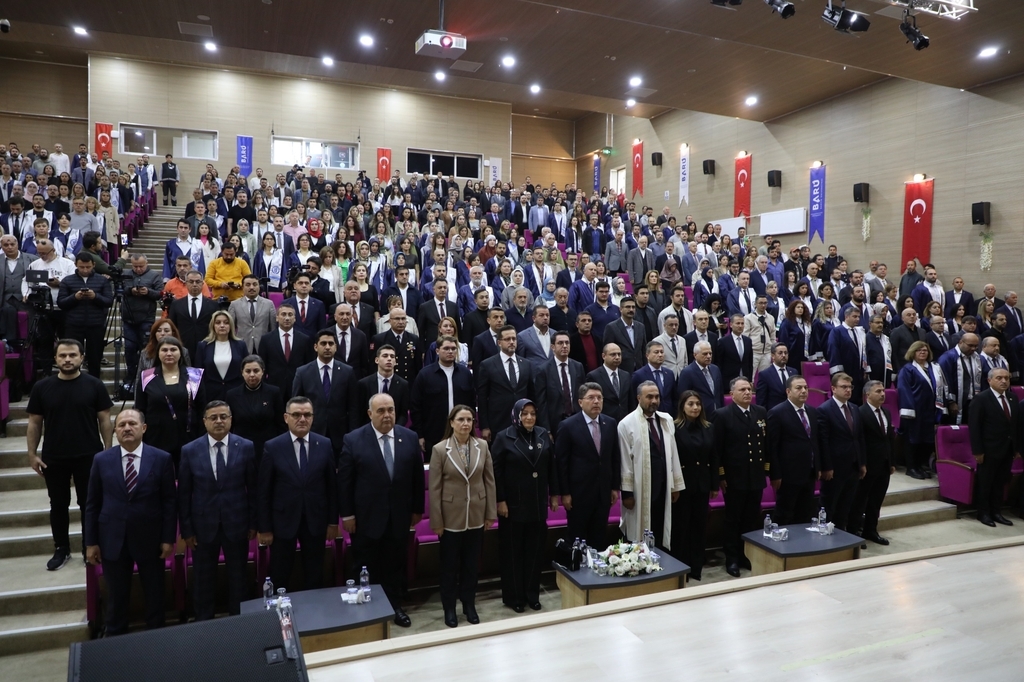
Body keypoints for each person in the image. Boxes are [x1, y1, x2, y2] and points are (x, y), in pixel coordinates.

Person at [84, 409, 176, 636]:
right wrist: (91, 542)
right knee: (116, 596)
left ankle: (156, 637)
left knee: (155, 593)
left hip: (150, 539)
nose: (127, 428)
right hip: (113, 539)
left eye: (132, 423)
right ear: (115, 431)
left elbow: (169, 503)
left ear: (143, 428)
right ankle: (116, 639)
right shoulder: (101, 460)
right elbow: (92, 504)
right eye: (122, 424)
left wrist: (167, 538)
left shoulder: (162, 458)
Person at [27, 339, 113, 570]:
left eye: (72, 355)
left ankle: (90, 546)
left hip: (90, 455)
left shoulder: (94, 385)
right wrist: (32, 454)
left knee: (90, 504)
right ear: (55, 358)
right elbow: (34, 423)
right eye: (63, 355)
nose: (67, 359)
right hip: (54, 456)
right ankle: (61, 549)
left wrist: (108, 449)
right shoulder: (42, 387)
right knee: (58, 504)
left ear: (82, 357)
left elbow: (105, 419)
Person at [340, 393, 425, 628]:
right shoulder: (353, 439)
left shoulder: (409, 437)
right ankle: (365, 612)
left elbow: (417, 478)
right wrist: (347, 515)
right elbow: (345, 483)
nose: (387, 415)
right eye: (381, 411)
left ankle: (393, 607)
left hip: (398, 516)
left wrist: (417, 509)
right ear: (370, 414)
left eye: (391, 410)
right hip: (366, 519)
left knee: (394, 565)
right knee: (365, 566)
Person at [177, 401, 257, 619]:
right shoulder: (189, 450)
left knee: (238, 578)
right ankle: (204, 625)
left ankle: (239, 622)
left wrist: (253, 523)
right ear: (204, 421)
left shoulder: (246, 446)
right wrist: (187, 530)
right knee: (203, 579)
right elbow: (184, 494)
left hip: (237, 524)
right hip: (203, 527)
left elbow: (253, 489)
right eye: (213, 417)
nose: (219, 421)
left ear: (231, 419)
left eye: (223, 416)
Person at [258, 397, 339, 591]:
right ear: (286, 418)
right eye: (296, 415)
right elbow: (264, 491)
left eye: (307, 415)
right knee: (280, 572)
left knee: (315, 572)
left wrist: (333, 522)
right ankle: (278, 616)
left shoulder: (325, 444)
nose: (302, 419)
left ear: (313, 417)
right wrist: (265, 527)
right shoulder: (273, 446)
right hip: (282, 522)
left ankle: (315, 616)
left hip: (316, 520)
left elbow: (332, 487)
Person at [491, 399, 554, 613]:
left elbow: (551, 467)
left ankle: (532, 595)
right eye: (524, 413)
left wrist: (553, 494)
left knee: (535, 554)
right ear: (516, 415)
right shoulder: (503, 437)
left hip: (537, 505)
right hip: (512, 506)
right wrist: (500, 500)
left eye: (532, 413)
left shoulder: (543, 434)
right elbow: (495, 473)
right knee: (513, 554)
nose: (529, 417)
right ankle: (514, 597)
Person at [714, 377, 775, 577]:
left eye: (749, 389)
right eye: (742, 390)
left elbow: (766, 446)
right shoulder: (722, 415)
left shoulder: (760, 412)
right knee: (733, 519)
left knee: (750, 518)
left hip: (755, 475)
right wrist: (721, 475)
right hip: (734, 477)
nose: (747, 393)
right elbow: (718, 450)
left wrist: (766, 470)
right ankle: (731, 558)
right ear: (732, 394)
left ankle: (745, 554)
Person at [553, 382, 621, 550]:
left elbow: (614, 457)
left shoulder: (610, 423)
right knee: (577, 539)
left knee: (598, 537)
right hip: (578, 494)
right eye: (591, 398)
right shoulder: (568, 426)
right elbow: (561, 463)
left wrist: (614, 487)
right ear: (580, 402)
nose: (596, 401)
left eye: (599, 398)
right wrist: (565, 493)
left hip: (602, 492)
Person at [618, 381, 684, 550]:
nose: (654, 401)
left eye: (657, 397)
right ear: (639, 398)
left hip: (664, 483)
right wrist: (627, 493)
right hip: (640, 487)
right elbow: (625, 460)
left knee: (661, 524)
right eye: (649, 397)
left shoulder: (666, 419)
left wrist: (675, 485)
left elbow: (673, 452)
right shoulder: (626, 424)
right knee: (641, 529)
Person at [135, 335, 205, 469]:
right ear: (158, 353)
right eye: (164, 350)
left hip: (189, 437)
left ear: (181, 352)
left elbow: (202, 409)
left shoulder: (195, 376)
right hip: (156, 438)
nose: (169, 353)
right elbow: (140, 410)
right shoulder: (146, 376)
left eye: (173, 350)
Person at [672, 391, 717, 580]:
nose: (695, 408)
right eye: (690, 404)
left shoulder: (708, 427)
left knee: (699, 527)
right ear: (682, 406)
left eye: (698, 404)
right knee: (682, 528)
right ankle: (681, 569)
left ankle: (696, 567)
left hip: (702, 484)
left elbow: (714, 458)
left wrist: (714, 484)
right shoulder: (673, 428)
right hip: (682, 487)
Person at [291, 329, 359, 454]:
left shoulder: (347, 371)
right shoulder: (303, 372)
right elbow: (296, 404)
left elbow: (353, 406)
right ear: (316, 347)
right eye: (323, 344)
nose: (327, 347)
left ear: (336, 347)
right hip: (312, 431)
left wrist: (352, 432)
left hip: (340, 433)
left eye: (331, 344)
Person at [968, 367, 1020, 527]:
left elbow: (1015, 426)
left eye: (1006, 378)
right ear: (989, 380)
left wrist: (1017, 448)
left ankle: (996, 511)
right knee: (986, 482)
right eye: (999, 378)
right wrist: (978, 451)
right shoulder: (981, 399)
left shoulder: (1012, 398)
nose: (1004, 381)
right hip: (989, 449)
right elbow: (974, 427)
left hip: (1008, 448)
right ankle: (983, 513)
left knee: (1000, 482)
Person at [766, 375, 819, 526]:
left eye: (805, 388)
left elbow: (814, 442)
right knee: (785, 514)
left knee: (805, 513)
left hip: (809, 472)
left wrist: (818, 467)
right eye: (799, 388)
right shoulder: (777, 413)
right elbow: (772, 447)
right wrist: (775, 474)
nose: (803, 391)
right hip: (788, 475)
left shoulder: (812, 412)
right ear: (788, 391)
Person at [476, 325, 545, 439]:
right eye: (507, 339)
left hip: (524, 421)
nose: (512, 342)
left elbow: (532, 394)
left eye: (514, 339)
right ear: (499, 342)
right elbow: (482, 397)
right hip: (498, 421)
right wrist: (485, 426)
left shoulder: (526, 364)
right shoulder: (487, 365)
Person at [817, 372, 866, 530]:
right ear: (833, 388)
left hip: (852, 465)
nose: (848, 390)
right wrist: (827, 466)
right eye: (843, 387)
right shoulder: (825, 410)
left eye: (850, 387)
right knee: (830, 505)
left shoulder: (854, 408)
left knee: (846, 505)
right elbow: (823, 441)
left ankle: (842, 538)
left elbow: (859, 438)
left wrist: (862, 462)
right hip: (835, 468)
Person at [850, 380, 896, 544]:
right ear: (867, 394)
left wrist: (891, 462)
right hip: (868, 465)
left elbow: (889, 439)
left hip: (883, 465)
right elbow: (859, 440)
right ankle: (854, 532)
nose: (882, 394)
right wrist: (861, 463)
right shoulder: (860, 413)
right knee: (860, 501)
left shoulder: (886, 412)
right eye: (878, 391)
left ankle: (871, 530)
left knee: (876, 501)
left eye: (883, 390)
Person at [897, 341, 950, 480]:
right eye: (919, 350)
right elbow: (904, 390)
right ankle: (911, 467)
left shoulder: (934, 368)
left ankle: (920, 466)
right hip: (915, 410)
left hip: (930, 410)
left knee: (926, 440)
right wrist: (909, 410)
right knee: (913, 439)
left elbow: (941, 388)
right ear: (913, 352)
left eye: (925, 350)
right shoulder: (908, 369)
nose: (922, 352)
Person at [56, 252, 113, 379]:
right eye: (81, 267)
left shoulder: (102, 280)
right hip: (73, 324)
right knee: (72, 355)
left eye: (88, 267)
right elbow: (61, 302)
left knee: (95, 357)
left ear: (94, 265)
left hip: (96, 324)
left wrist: (95, 297)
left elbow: (109, 301)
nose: (85, 270)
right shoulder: (67, 280)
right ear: (76, 265)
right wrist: (75, 297)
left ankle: (94, 384)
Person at [226, 355, 285, 461]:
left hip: (268, 447)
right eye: (248, 371)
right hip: (241, 448)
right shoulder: (232, 395)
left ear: (262, 371)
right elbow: (230, 425)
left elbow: (280, 423)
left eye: (256, 371)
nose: (252, 375)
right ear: (242, 372)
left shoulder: (274, 392)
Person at [258, 304, 314, 402]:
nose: (287, 318)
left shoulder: (304, 339)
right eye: (283, 314)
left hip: (297, 386)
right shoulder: (266, 339)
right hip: (274, 386)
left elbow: (308, 365)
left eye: (290, 315)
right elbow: (262, 366)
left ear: (295, 318)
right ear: (277, 318)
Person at [193, 310, 249, 403]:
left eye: (226, 323)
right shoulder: (203, 346)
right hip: (211, 394)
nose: (222, 325)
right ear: (213, 326)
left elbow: (245, 369)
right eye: (218, 323)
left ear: (231, 326)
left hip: (236, 393)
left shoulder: (240, 344)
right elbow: (198, 374)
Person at [168, 270, 218, 361]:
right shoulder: (176, 305)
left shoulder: (213, 305)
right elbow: (172, 326)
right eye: (191, 282)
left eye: (198, 282)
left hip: (207, 348)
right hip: (183, 348)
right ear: (186, 283)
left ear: (203, 284)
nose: (194, 284)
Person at [356, 344, 410, 426]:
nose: (389, 359)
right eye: (385, 356)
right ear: (377, 360)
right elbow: (360, 413)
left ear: (395, 362)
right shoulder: (364, 384)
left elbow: (403, 414)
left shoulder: (403, 384)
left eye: (392, 356)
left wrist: (393, 430)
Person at [585, 343, 634, 422]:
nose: (617, 357)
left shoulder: (626, 375)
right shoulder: (594, 376)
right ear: (604, 356)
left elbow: (630, 401)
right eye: (613, 355)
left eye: (619, 354)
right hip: (605, 421)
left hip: (625, 420)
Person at [228, 274, 277, 354]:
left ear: (259, 286)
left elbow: (273, 328)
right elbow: (230, 328)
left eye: (255, 284)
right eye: (248, 285)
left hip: (264, 346)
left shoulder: (269, 304)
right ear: (243, 287)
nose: (251, 287)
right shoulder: (234, 304)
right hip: (242, 347)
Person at [677, 341, 725, 411]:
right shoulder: (687, 372)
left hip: (717, 412)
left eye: (710, 353)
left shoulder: (715, 369)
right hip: (699, 413)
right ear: (695, 355)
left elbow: (720, 393)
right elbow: (683, 397)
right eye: (705, 354)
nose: (708, 356)